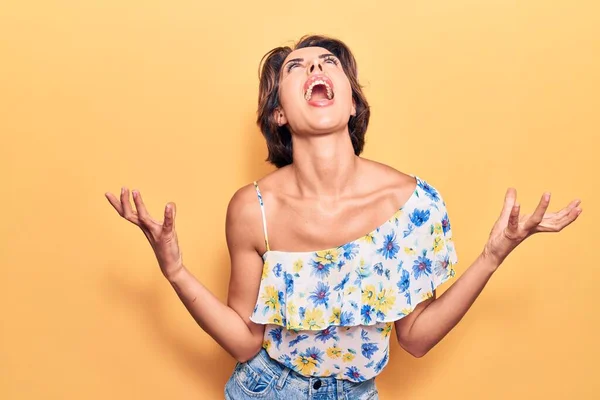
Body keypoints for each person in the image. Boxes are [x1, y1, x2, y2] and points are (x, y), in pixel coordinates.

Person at [104, 35, 582, 399]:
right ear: (278, 115)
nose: (315, 65)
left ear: (351, 101)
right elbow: (246, 342)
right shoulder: (253, 210)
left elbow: (415, 339)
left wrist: (492, 256)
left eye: (328, 62)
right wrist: (175, 271)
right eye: (297, 66)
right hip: (267, 387)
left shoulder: (411, 205)